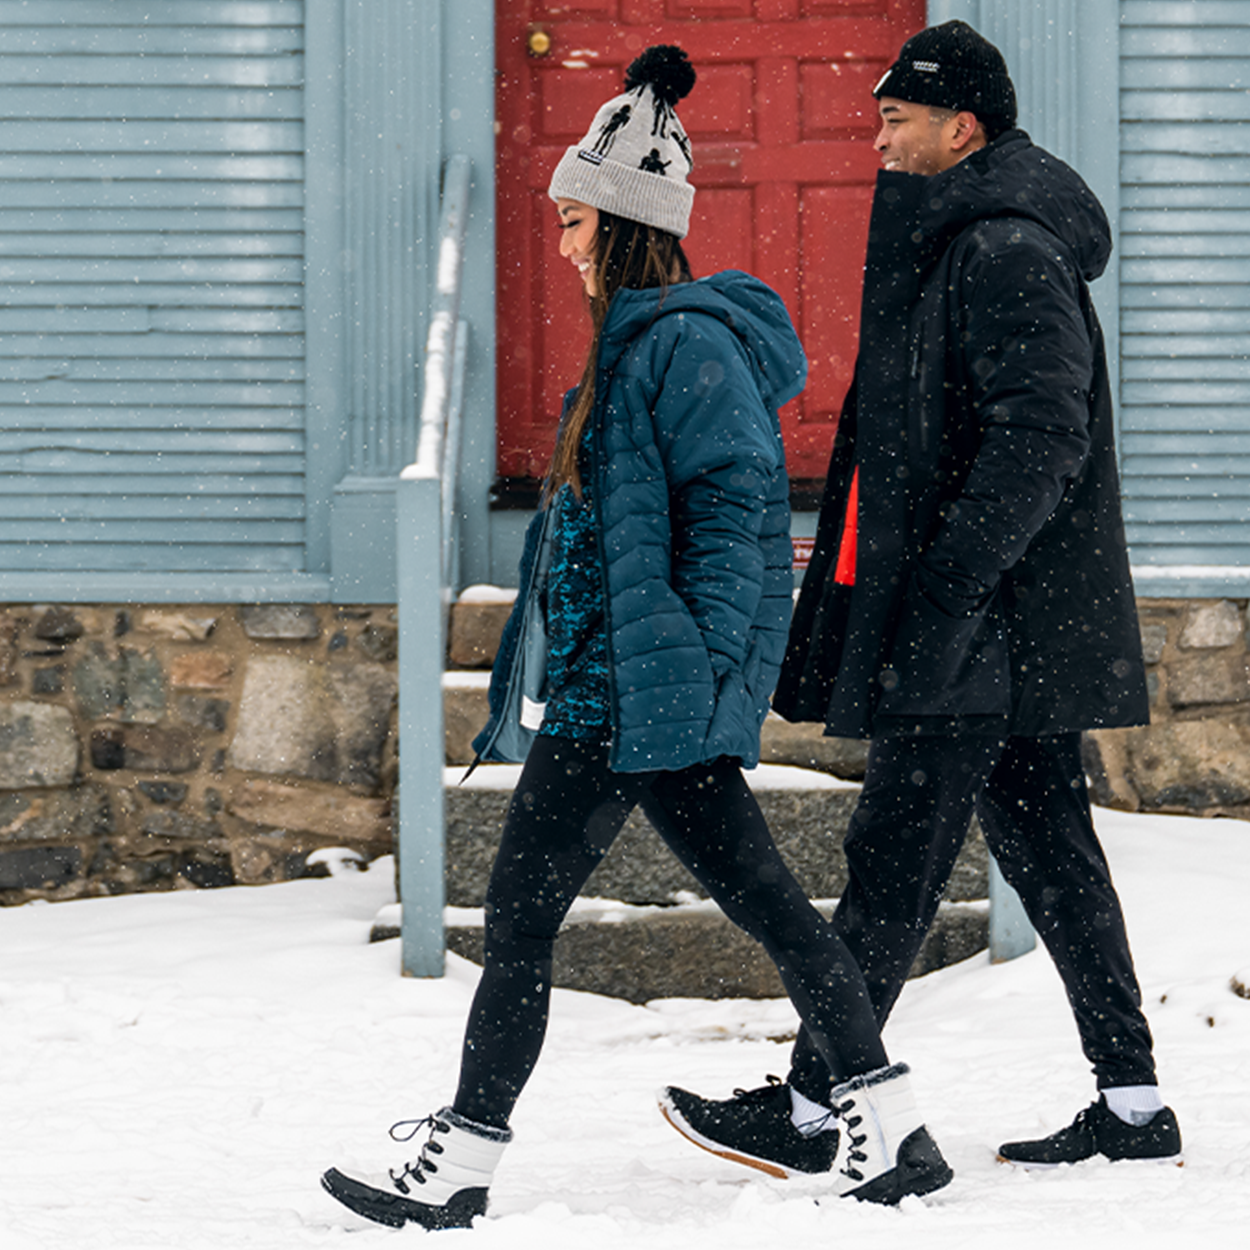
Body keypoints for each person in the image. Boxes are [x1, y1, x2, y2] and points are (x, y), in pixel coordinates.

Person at [319, 46, 952, 1231]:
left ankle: (462, 1163)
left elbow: (735, 523)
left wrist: (695, 675)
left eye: (572, 221)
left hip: (639, 695)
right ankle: (891, 1125)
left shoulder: (682, 347)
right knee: (729, 911)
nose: (561, 243)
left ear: (619, 222)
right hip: (618, 689)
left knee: (551, 920)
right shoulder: (634, 343)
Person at [661, 20, 1183, 1176]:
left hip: (979, 624)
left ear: (961, 128)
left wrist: (944, 583)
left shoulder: (1002, 248)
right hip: (998, 622)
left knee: (893, 856)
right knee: (1050, 854)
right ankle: (1133, 1101)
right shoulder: (963, 239)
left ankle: (812, 1109)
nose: (878, 139)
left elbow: (1039, 434)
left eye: (895, 119)